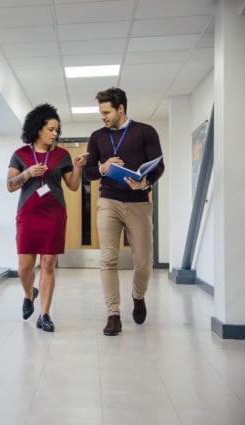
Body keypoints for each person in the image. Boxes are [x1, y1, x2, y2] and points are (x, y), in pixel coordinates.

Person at [83, 87, 165, 336]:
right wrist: (104, 168)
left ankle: (138, 296)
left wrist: (145, 182)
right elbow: (88, 172)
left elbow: (158, 166)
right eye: (101, 112)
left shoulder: (145, 132)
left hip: (138, 202)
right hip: (108, 201)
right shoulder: (97, 136)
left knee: (143, 261)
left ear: (121, 109)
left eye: (106, 112)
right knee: (108, 259)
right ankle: (113, 314)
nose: (103, 117)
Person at [7, 103, 88, 332]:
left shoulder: (62, 155)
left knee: (48, 264)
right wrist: (27, 173)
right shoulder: (20, 154)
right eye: (51, 129)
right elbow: (10, 186)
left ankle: (44, 314)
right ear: (38, 128)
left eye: (57, 130)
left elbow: (72, 186)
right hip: (28, 215)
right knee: (25, 267)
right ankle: (28, 294)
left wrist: (78, 168)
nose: (55, 133)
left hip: (54, 215)